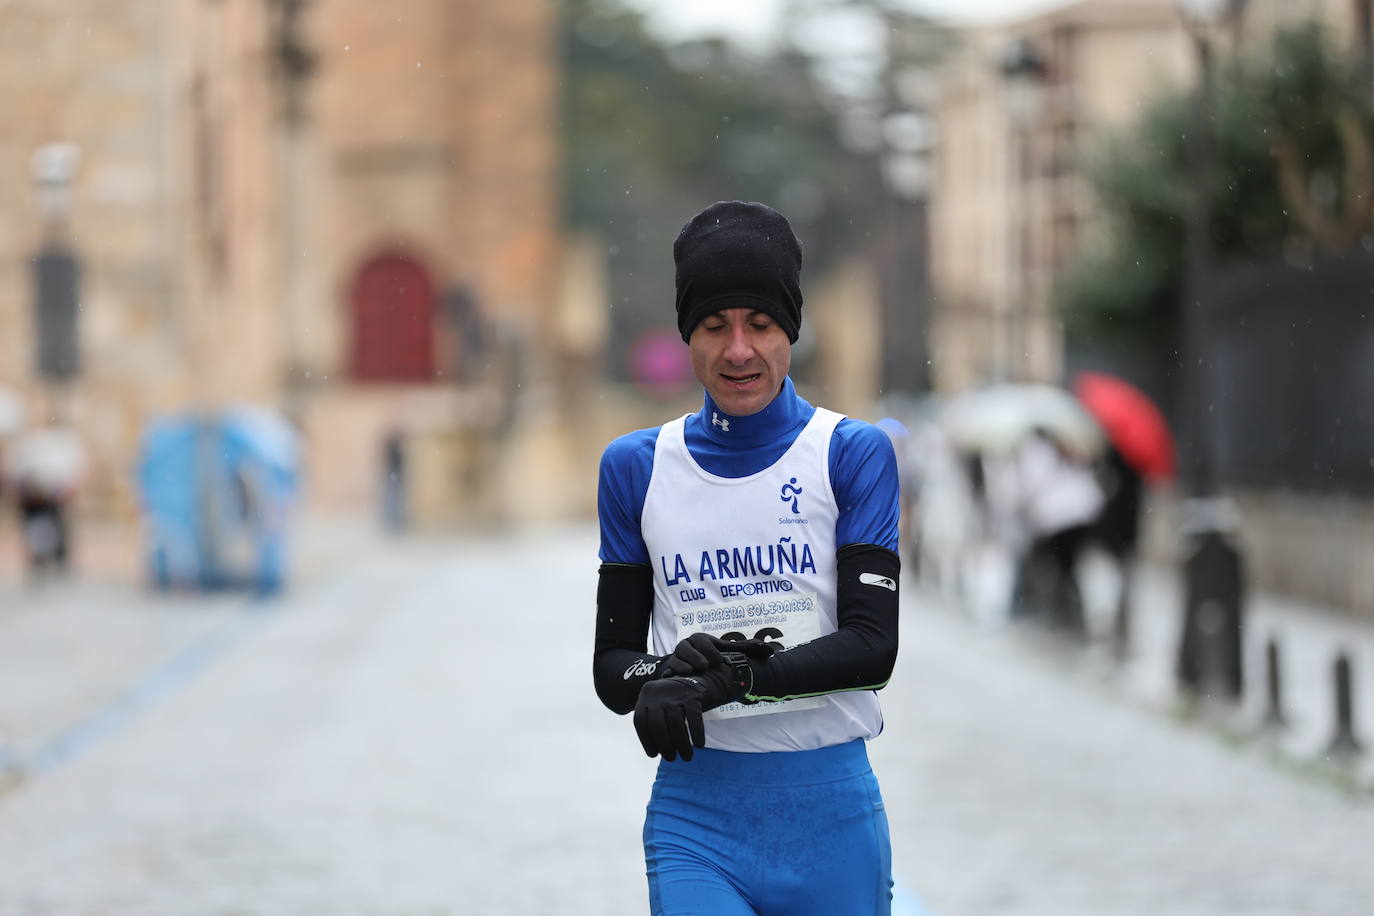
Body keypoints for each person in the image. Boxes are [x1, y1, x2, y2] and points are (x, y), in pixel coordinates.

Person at [592, 201, 902, 915]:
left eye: (760, 324)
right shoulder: (635, 467)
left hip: (832, 821)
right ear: (687, 335)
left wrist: (726, 681)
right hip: (697, 820)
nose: (738, 350)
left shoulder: (850, 454)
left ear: (790, 329)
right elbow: (614, 668)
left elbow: (871, 648)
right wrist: (662, 676)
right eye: (713, 326)